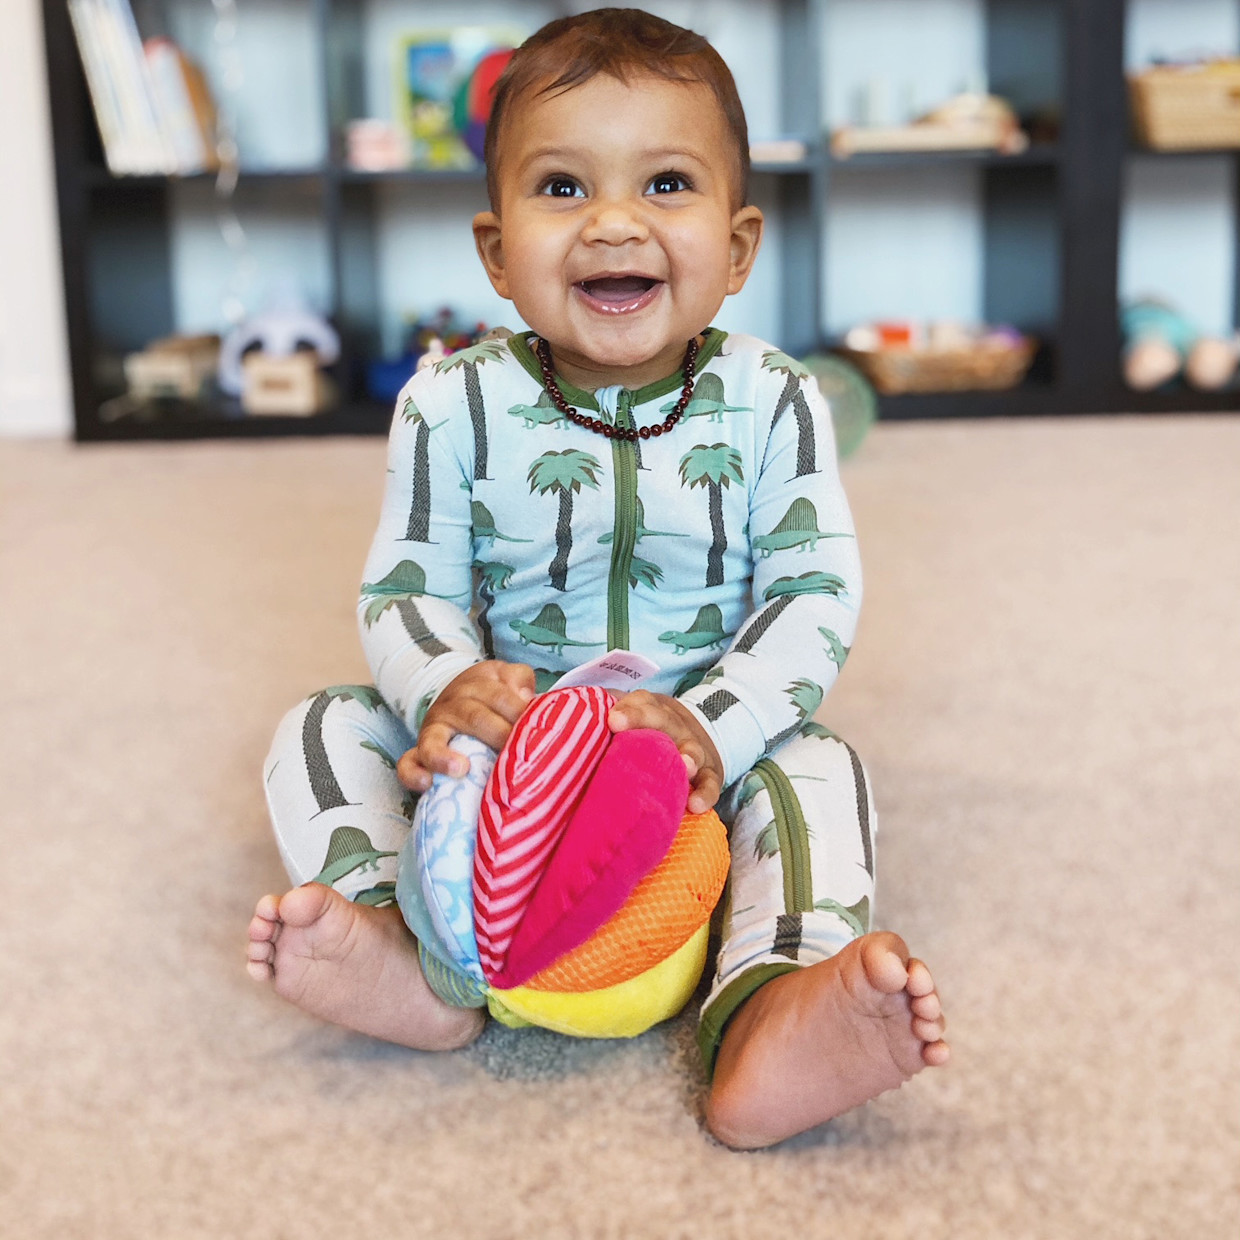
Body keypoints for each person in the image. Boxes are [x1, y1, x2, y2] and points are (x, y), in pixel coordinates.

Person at [246, 7, 948, 1149]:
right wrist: (445, 688)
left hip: (694, 766)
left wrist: (715, 728)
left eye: (666, 184)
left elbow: (813, 594)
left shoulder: (775, 401)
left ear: (736, 247)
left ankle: (771, 1005)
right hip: (496, 767)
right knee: (317, 728)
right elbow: (404, 584)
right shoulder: (450, 401)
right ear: (494, 249)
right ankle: (400, 944)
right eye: (562, 189)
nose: (613, 222)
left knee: (820, 770)